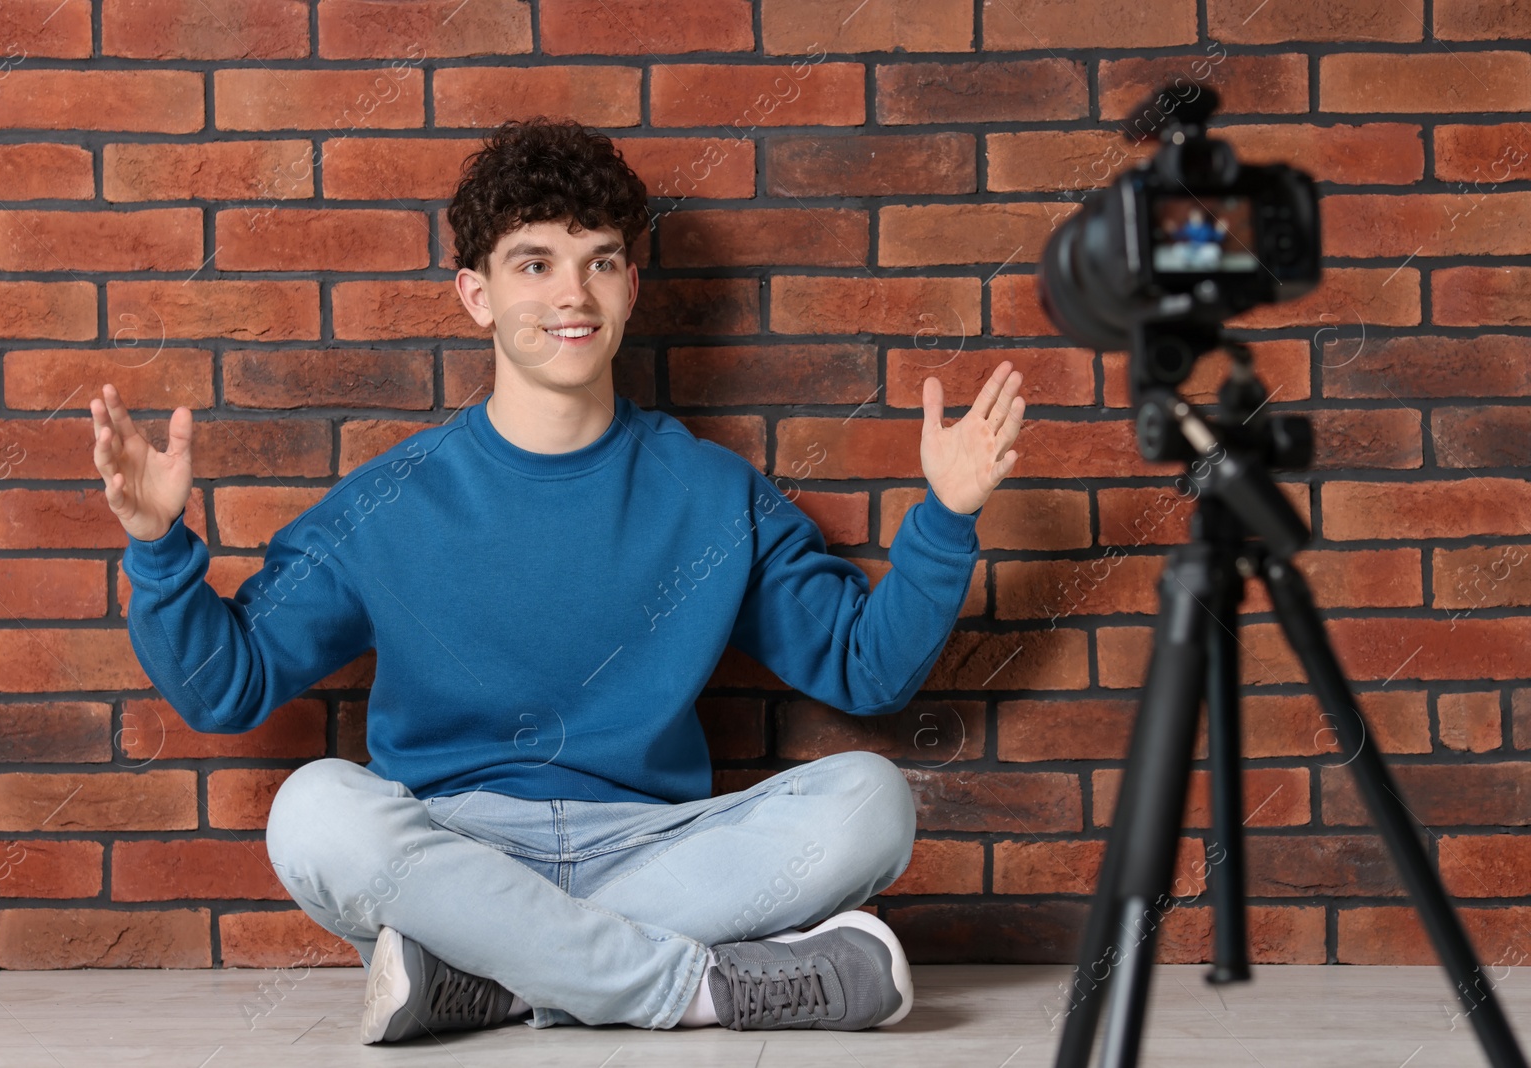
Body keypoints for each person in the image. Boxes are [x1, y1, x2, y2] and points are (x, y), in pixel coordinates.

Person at [93, 116, 1026, 1045]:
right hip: (450, 847)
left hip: (655, 846)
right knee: (313, 815)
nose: (571, 293)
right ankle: (704, 991)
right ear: (477, 295)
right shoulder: (390, 500)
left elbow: (867, 671)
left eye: (601, 261)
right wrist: (157, 542)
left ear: (630, 286)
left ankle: (489, 981)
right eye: (534, 264)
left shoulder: (709, 493)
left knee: (872, 802)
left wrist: (946, 519)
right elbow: (227, 688)